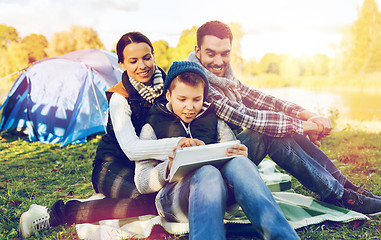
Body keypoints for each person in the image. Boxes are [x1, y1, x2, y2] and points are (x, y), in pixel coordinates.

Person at [187, 20, 381, 216]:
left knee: (282, 126)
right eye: (211, 53)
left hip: (232, 156)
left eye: (225, 53)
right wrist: (306, 127)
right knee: (268, 130)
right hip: (210, 174)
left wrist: (308, 115)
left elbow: (262, 99)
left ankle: (344, 186)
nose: (219, 61)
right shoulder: (196, 82)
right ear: (198, 50)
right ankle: (339, 196)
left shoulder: (225, 78)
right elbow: (247, 117)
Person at [18, 32, 196, 238]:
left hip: (149, 168)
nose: (142, 65)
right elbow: (131, 148)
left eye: (147, 57)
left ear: (153, 56)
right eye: (133, 61)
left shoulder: (169, 86)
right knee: (152, 202)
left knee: (172, 196)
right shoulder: (119, 98)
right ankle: (56, 214)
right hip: (111, 166)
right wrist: (178, 144)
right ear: (122, 64)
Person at [135, 61, 301, 240]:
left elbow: (231, 151)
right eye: (182, 99)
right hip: (174, 200)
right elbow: (142, 182)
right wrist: (169, 166)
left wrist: (240, 154)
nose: (190, 107)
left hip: (217, 196)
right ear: (168, 95)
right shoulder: (151, 126)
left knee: (241, 163)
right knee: (207, 172)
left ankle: (284, 237)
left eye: (196, 99)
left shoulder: (215, 120)